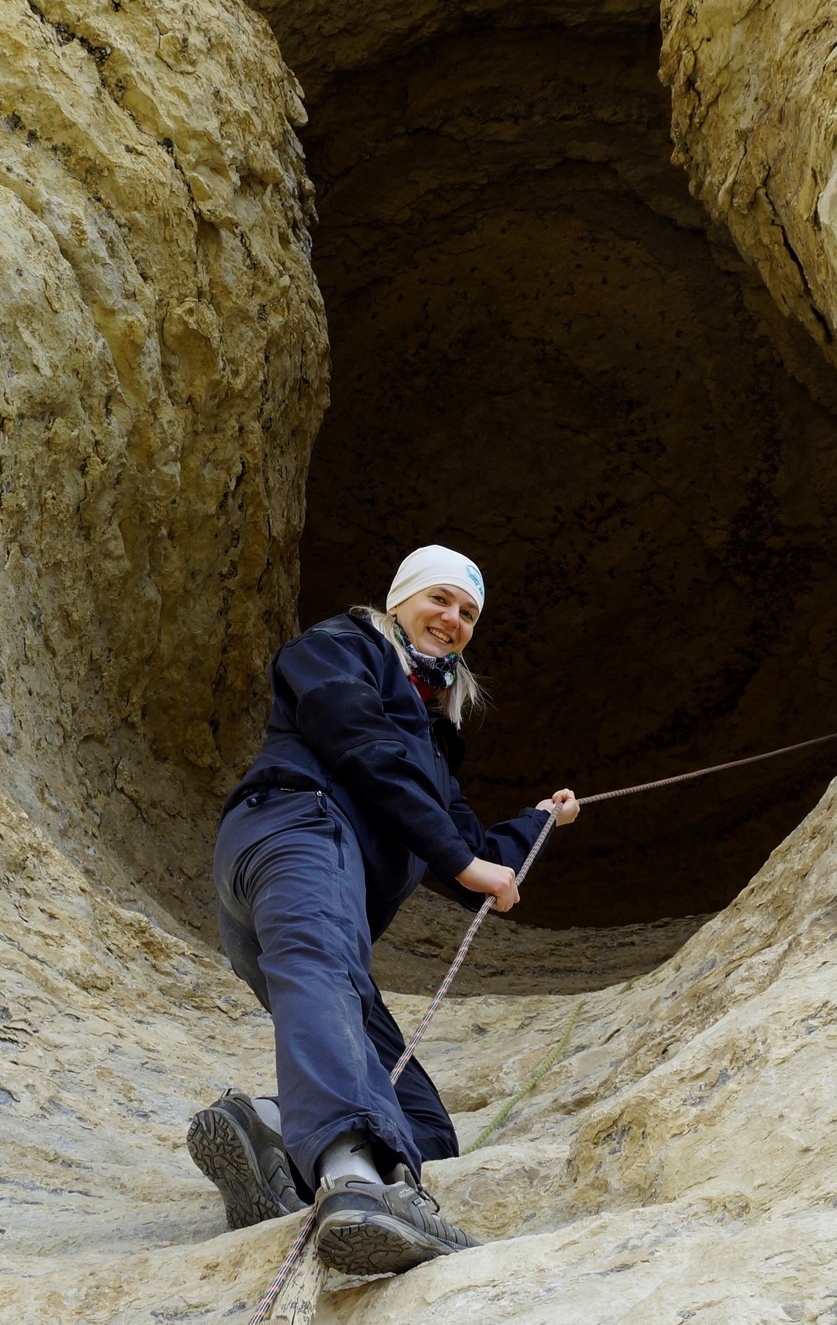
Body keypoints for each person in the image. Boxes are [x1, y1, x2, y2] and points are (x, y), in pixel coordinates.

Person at [187, 544, 579, 1275]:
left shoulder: (430, 744)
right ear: (399, 600)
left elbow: (465, 853)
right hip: (296, 836)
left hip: (312, 900)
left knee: (424, 1125)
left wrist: (538, 822)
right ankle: (357, 1184)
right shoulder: (339, 648)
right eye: (439, 599)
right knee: (326, 976)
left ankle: (267, 1129)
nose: (453, 618)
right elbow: (359, 743)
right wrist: (465, 861)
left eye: (467, 612)